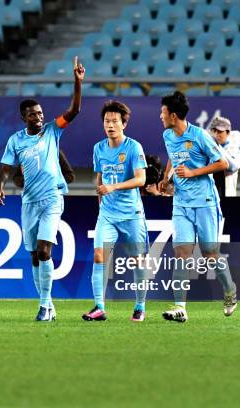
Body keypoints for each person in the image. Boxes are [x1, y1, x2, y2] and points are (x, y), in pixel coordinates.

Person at [0, 57, 84, 322]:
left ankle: (45, 306)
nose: (39, 117)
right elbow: (6, 168)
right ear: (23, 117)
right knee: (34, 256)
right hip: (29, 202)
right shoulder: (16, 141)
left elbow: (74, 111)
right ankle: (47, 303)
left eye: (41, 113)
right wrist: (0, 187)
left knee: (45, 251)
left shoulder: (52, 132)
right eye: (33, 114)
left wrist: (77, 83)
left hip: (52, 199)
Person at [158, 91, 238, 323]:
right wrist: (166, 178)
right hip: (181, 202)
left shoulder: (201, 136)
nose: (160, 116)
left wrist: (193, 172)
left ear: (173, 115)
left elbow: (222, 163)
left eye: (163, 112)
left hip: (205, 202)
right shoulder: (168, 135)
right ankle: (180, 307)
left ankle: (230, 290)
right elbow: (174, 157)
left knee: (210, 254)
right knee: (181, 252)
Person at [82, 100, 149, 322]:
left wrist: (114, 187)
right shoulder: (98, 148)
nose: (110, 125)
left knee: (138, 259)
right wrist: (101, 199)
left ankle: (139, 306)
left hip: (131, 214)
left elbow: (141, 179)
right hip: (107, 215)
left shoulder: (133, 147)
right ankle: (99, 307)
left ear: (124, 124)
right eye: (106, 121)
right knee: (99, 255)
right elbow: (100, 178)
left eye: (114, 121)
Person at [209, 116, 240, 198]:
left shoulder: (234, 150)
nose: (217, 134)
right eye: (214, 131)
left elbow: (233, 167)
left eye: (220, 131)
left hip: (227, 194)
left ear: (227, 133)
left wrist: (216, 147)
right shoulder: (208, 148)